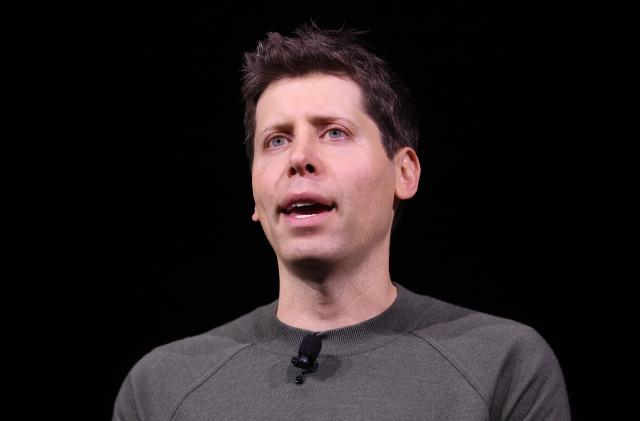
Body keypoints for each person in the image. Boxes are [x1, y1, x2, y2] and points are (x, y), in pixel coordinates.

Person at [112, 22, 570, 420]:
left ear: (404, 172)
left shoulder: (502, 363)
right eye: (276, 140)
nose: (299, 158)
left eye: (334, 132)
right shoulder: (163, 386)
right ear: (255, 194)